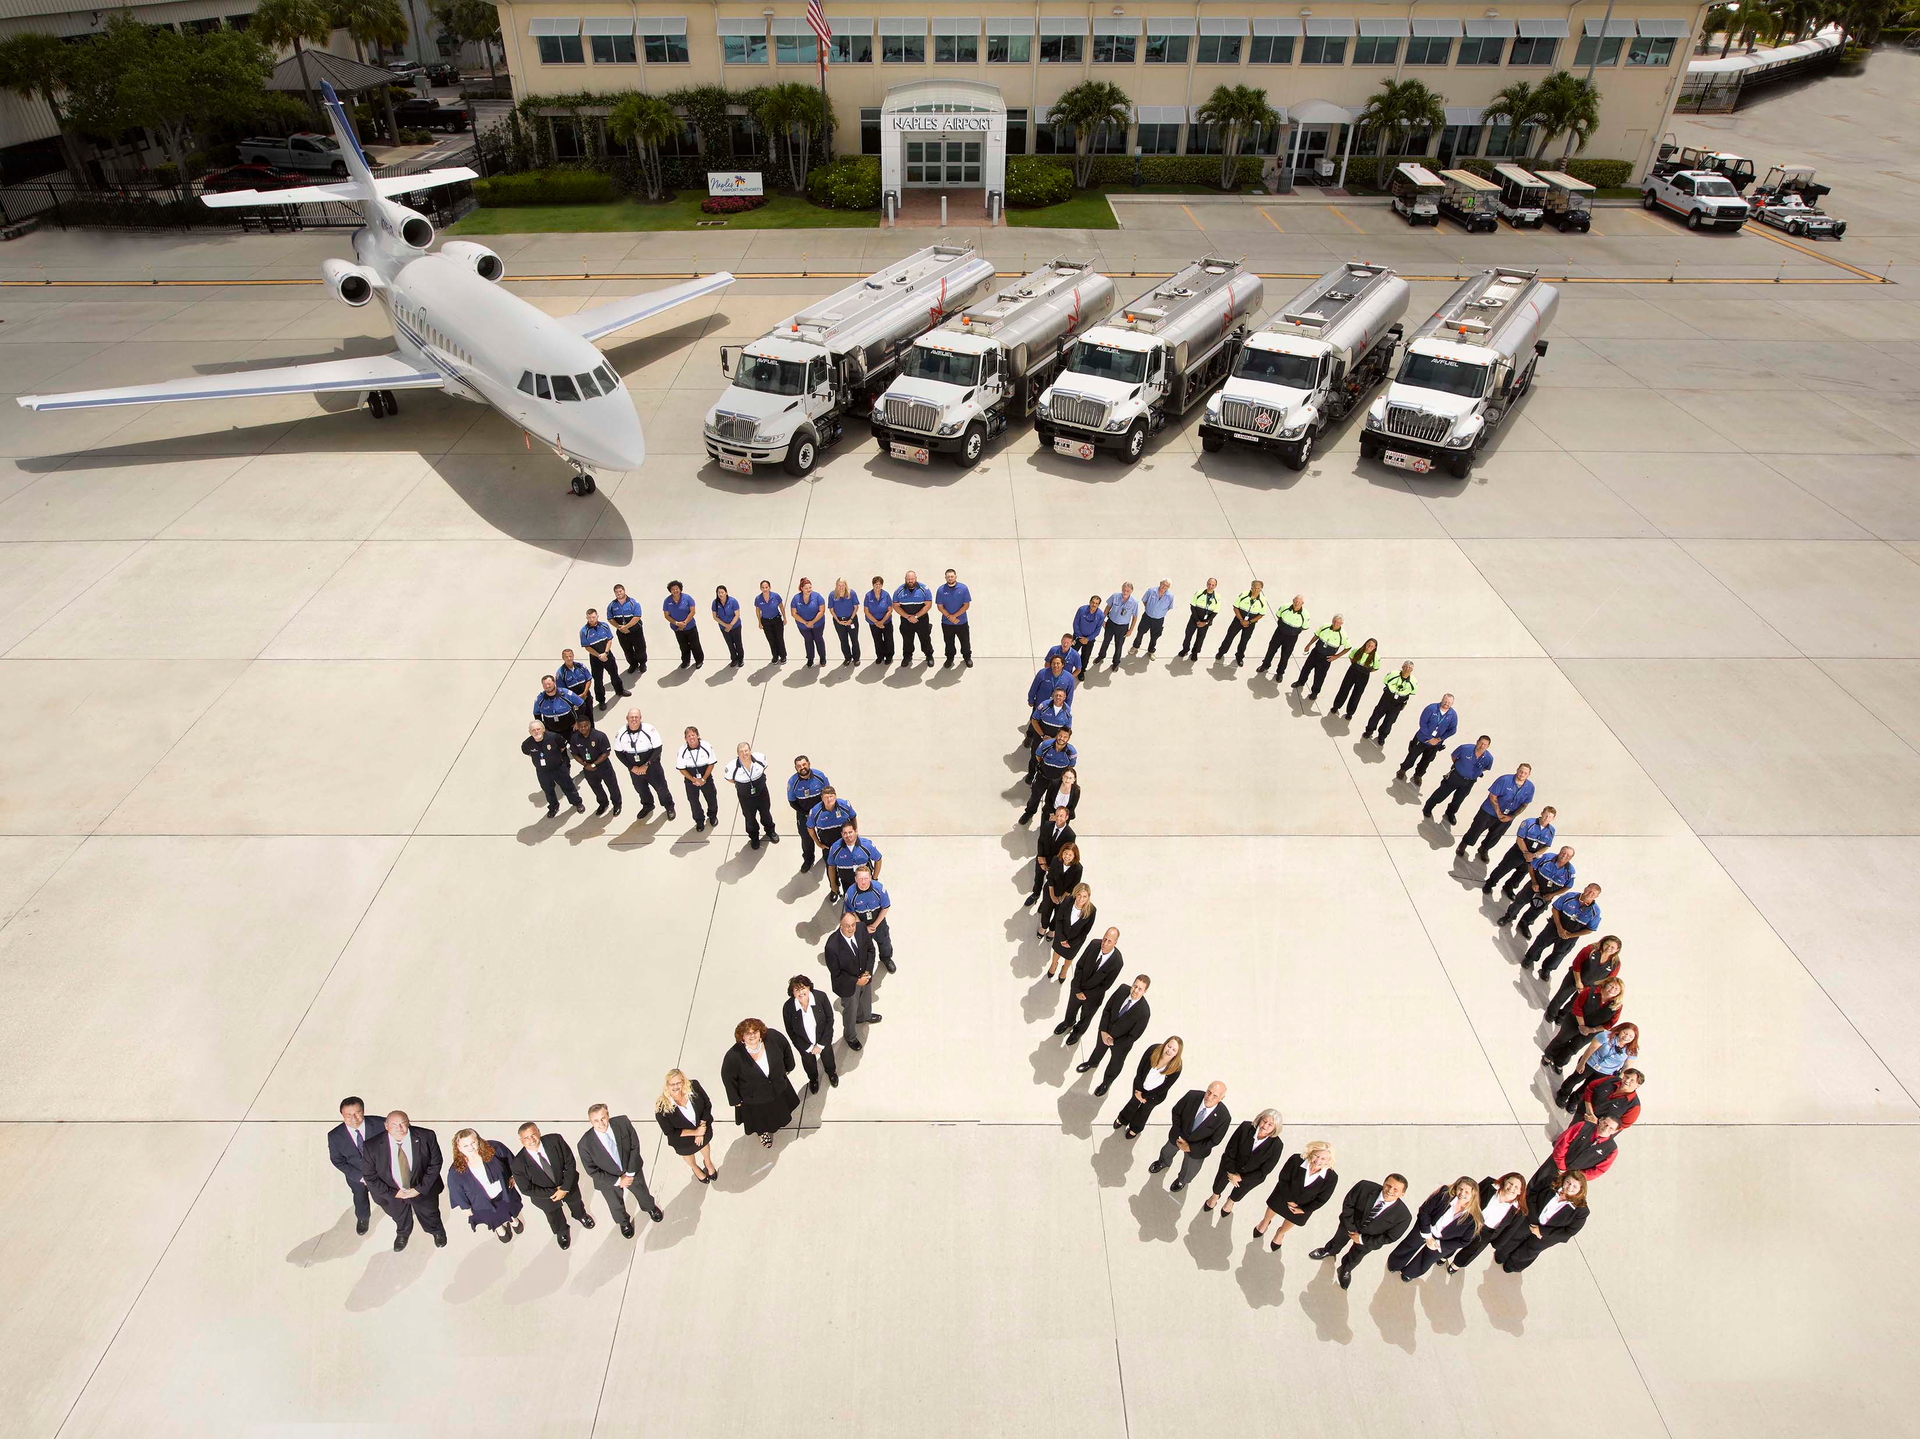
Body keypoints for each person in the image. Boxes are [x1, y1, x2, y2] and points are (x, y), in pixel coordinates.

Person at [362, 1110, 447, 1252]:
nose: (399, 1129)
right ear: (386, 1126)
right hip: (392, 1194)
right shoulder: (371, 1146)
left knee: (430, 1213)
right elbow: (370, 1176)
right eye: (394, 1125)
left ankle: (437, 1231)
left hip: (423, 1189)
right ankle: (403, 1233)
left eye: (403, 1124)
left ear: (408, 1123)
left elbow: (435, 1164)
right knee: (399, 1216)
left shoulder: (427, 1136)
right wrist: (393, 1193)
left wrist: (419, 1189)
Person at [1308, 1173, 1411, 1290]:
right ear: (1384, 1183)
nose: (1390, 1190)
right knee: (1338, 1240)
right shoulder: (1364, 1187)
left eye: (1396, 1189)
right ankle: (1329, 1251)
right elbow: (1348, 1204)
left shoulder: (1404, 1216)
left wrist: (1361, 1239)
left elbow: (1390, 1237)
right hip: (1349, 1224)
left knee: (1356, 1256)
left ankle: (1345, 1269)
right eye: (1388, 1185)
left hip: (1369, 1241)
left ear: (1402, 1194)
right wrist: (1351, 1228)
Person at [578, 1104, 663, 1238]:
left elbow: (635, 1145)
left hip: (631, 1170)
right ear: (590, 1122)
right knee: (615, 1205)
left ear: (608, 1115)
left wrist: (629, 1173)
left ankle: (650, 1208)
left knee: (642, 1192)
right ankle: (624, 1223)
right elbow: (592, 1170)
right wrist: (618, 1181)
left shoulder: (622, 1122)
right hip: (607, 1181)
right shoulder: (584, 1144)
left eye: (603, 1118)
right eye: (596, 1121)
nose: (601, 1123)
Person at [510, 1122, 593, 1250]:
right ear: (521, 1140)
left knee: (576, 1202)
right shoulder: (518, 1163)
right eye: (526, 1138)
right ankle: (562, 1231)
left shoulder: (555, 1140)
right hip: (545, 1198)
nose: (531, 1140)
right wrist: (555, 1192)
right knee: (554, 1215)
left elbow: (570, 1162)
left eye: (533, 1134)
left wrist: (564, 1188)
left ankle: (580, 1215)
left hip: (568, 1185)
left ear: (539, 1132)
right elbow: (526, 1189)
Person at [721, 1018, 799, 1148]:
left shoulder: (773, 1037)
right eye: (748, 1033)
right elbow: (728, 1078)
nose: (752, 1035)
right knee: (760, 1120)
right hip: (754, 1099)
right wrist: (735, 1100)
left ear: (760, 1032)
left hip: (776, 1088)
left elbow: (786, 1048)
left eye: (755, 1031)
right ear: (742, 1037)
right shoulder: (733, 1056)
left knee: (778, 1110)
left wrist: (788, 1067)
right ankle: (762, 1133)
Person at [1387, 1177, 1484, 1281]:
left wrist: (1439, 1244)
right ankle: (1394, 1263)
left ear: (1473, 1195)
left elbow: (1464, 1241)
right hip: (1426, 1227)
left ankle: (1410, 1273)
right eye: (1460, 1189)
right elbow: (1424, 1210)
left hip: (1443, 1242)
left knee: (1426, 1259)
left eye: (1467, 1192)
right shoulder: (1444, 1194)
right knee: (1409, 1245)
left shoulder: (1475, 1219)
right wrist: (1427, 1236)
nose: (1462, 1193)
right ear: (1456, 1188)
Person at [1253, 1141, 1338, 1253]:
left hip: (1303, 1206)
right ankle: (1265, 1222)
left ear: (1329, 1161)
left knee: (1293, 1217)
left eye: (1323, 1159)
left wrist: (1303, 1210)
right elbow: (1283, 1179)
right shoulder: (1296, 1160)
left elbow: (1322, 1199)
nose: (1318, 1161)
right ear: (1311, 1153)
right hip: (1283, 1195)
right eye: (1316, 1156)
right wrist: (1289, 1200)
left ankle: (1280, 1233)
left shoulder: (1331, 1177)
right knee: (1273, 1208)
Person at [1075, 973, 1151, 1095]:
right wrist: (1103, 1031)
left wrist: (1113, 1042)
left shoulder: (1144, 1012)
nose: (1135, 990)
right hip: (1106, 1032)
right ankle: (1092, 1062)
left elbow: (1133, 1036)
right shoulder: (1122, 990)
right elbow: (1107, 1009)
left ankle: (1106, 1083)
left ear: (1145, 991)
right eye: (1135, 986)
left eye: (1140, 989)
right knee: (1099, 1049)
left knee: (1115, 1064)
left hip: (1121, 1044)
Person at [1148, 1081, 1231, 1193]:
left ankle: (1182, 1180)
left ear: (1222, 1098)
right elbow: (1176, 1112)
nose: (1209, 1097)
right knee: (1167, 1151)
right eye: (1209, 1092)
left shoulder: (1224, 1117)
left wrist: (1190, 1147)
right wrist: (1179, 1135)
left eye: (1215, 1096)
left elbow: (1214, 1141)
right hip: (1178, 1136)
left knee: (1190, 1168)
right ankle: (1163, 1162)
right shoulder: (1192, 1096)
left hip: (1197, 1149)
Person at [1497, 1171, 1588, 1273]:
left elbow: (1569, 1232)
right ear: (1564, 1179)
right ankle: (1501, 1255)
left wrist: (1541, 1231)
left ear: (1581, 1190)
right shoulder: (1551, 1181)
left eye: (1575, 1186)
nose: (1569, 1187)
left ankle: (1512, 1266)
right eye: (1568, 1182)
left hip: (1548, 1235)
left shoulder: (1581, 1211)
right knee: (1515, 1236)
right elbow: (1532, 1194)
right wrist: (1534, 1220)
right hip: (1531, 1217)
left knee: (1529, 1250)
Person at [447, 1129, 523, 1245]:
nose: (470, 1148)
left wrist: (514, 1176)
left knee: (510, 1210)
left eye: (473, 1143)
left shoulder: (494, 1148)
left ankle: (512, 1220)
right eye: (465, 1145)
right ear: (459, 1147)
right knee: (493, 1219)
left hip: (503, 1193)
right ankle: (499, 1228)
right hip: (481, 1202)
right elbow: (456, 1190)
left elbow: (510, 1160)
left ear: (478, 1140)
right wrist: (465, 1207)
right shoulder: (456, 1170)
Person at [1203, 1108, 1283, 1215]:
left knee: (1241, 1191)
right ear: (1260, 1119)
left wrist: (1241, 1178)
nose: (1265, 1125)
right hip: (1231, 1165)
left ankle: (1230, 1201)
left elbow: (1265, 1170)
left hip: (1251, 1175)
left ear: (1275, 1128)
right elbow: (1230, 1150)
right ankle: (1215, 1196)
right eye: (1264, 1121)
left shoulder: (1277, 1145)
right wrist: (1231, 1173)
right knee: (1219, 1183)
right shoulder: (1245, 1127)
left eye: (1270, 1124)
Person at [1447, 1173, 1528, 1274]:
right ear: (1505, 1181)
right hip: (1472, 1221)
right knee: (1455, 1239)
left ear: (1520, 1191)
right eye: (1510, 1183)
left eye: (1516, 1187)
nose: (1511, 1188)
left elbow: (1510, 1229)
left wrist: (1498, 1243)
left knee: (1471, 1251)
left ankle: (1456, 1264)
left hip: (1487, 1232)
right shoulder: (1489, 1184)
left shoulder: (1519, 1210)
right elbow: (1472, 1196)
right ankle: (1444, 1256)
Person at [823, 911, 880, 1048]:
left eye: (853, 925)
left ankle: (865, 1016)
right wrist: (856, 980)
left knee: (866, 999)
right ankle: (850, 1036)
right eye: (847, 926)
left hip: (865, 976)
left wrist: (867, 972)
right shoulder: (832, 946)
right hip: (847, 984)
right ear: (840, 926)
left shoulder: (861, 929)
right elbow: (836, 973)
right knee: (850, 1011)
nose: (851, 929)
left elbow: (870, 950)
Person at [1542, 977, 1625, 1071]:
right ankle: (1549, 1055)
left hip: (1592, 1031)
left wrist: (1591, 1030)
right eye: (1611, 986)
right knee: (1562, 1039)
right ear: (1606, 984)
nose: (1612, 990)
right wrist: (1582, 1026)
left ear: (1620, 992)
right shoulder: (1590, 991)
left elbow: (1610, 1024)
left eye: (1616, 989)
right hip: (1574, 1021)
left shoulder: (1617, 1005)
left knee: (1574, 1047)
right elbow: (1577, 1007)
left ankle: (1560, 1062)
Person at [326, 1096, 381, 1235]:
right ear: (342, 1115)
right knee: (359, 1197)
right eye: (348, 1115)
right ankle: (363, 1219)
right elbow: (338, 1161)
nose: (354, 1118)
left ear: (363, 1111)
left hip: (382, 1171)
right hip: (356, 1176)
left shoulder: (381, 1123)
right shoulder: (335, 1136)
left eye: (357, 1113)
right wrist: (359, 1177)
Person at [1554, 1022, 1639, 1110]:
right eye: (1625, 1033)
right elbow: (1591, 1049)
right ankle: (1563, 1094)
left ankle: (1574, 1101)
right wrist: (1582, 1063)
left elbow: (1627, 1065)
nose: (1626, 1037)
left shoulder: (1632, 1050)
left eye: (1631, 1036)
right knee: (1574, 1080)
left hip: (1605, 1072)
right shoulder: (1605, 1036)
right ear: (1620, 1030)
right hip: (1590, 1063)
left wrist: (1619, 1078)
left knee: (1588, 1088)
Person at [1056, 925, 1121, 1040]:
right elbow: (1080, 966)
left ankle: (1077, 1032)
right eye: (1104, 939)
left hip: (1093, 997)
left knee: (1086, 1017)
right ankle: (1068, 1022)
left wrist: (1086, 995)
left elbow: (1105, 985)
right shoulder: (1094, 945)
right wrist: (1077, 989)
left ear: (1115, 943)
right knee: (1071, 1008)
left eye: (1109, 941)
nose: (1105, 944)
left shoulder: (1117, 962)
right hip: (1078, 988)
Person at [1526, 883, 1603, 980]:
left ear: (1596, 896)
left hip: (1570, 936)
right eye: (1589, 890)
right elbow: (1555, 909)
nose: (1590, 894)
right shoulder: (1569, 896)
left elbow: (1590, 929)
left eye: (1593, 893)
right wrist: (1559, 928)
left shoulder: (1595, 912)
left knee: (1559, 954)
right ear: (1585, 889)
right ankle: (1530, 958)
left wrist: (1570, 935)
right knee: (1541, 942)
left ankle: (1547, 969)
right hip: (1555, 926)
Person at [654, 1069, 718, 1185]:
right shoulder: (661, 1108)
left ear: (684, 1081)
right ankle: (695, 1168)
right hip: (682, 1138)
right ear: (667, 1085)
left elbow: (707, 1104)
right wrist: (696, 1133)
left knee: (704, 1145)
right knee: (688, 1154)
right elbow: (670, 1132)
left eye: (678, 1083)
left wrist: (701, 1127)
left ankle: (708, 1162)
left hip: (701, 1128)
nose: (675, 1087)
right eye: (671, 1084)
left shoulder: (694, 1087)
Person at [1458, 762, 1534, 860]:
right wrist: (1498, 813)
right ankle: (1464, 844)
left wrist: (1512, 816)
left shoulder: (1530, 788)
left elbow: (1525, 804)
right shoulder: (1504, 780)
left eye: (1525, 773)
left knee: (1496, 835)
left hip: (1507, 816)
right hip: (1489, 812)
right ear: (1517, 770)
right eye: (1521, 771)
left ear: (1529, 774)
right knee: (1476, 829)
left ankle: (1484, 849)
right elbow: (1493, 796)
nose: (1522, 774)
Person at [1112, 1034, 1183, 1137]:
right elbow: (1140, 1069)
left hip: (1154, 1096)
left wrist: (1144, 1096)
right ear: (1165, 1044)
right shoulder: (1153, 1050)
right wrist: (1138, 1090)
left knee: (1144, 1111)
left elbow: (1164, 1087)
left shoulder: (1177, 1067)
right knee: (1133, 1102)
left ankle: (1135, 1128)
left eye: (1174, 1050)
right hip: (1139, 1086)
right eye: (1169, 1046)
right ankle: (1122, 1118)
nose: (1169, 1051)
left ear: (1177, 1053)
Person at [612, 709, 675, 820]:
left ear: (640, 718)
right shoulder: (621, 733)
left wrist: (646, 765)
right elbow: (618, 753)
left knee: (661, 789)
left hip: (652, 766)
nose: (634, 719)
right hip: (634, 768)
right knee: (641, 789)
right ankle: (648, 805)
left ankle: (669, 806)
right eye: (631, 717)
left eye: (636, 717)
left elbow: (658, 749)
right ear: (627, 718)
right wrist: (631, 767)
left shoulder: (649, 730)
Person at [1546, 935, 1622, 1024]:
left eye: (1612, 947)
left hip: (1590, 987)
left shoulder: (1615, 963)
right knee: (1562, 995)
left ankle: (1562, 1015)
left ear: (1617, 950)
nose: (1609, 948)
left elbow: (1608, 980)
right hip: (1575, 977)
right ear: (1603, 943)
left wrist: (1593, 990)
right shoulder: (1590, 950)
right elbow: (1576, 964)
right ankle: (1552, 1013)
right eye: (1607, 944)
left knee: (1575, 1002)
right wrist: (1578, 982)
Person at [1500, 845, 1576, 934]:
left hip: (1548, 894)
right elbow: (1531, 866)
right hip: (1533, 886)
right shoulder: (1547, 857)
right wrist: (1534, 882)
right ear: (1559, 852)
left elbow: (1568, 886)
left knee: (1536, 910)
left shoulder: (1570, 872)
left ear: (1571, 858)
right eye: (1563, 852)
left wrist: (1552, 895)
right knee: (1519, 901)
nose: (1564, 855)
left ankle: (1524, 923)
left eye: (1568, 855)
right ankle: (1509, 916)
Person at [1485, 806, 1558, 897]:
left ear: (1553, 819)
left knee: (1520, 874)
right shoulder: (1528, 823)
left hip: (1532, 857)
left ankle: (1509, 887)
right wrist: (1525, 853)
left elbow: (1546, 846)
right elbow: (1520, 839)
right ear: (1541, 813)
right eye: (1546, 815)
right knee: (1503, 868)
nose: (1547, 818)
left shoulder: (1551, 831)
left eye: (1550, 817)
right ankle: (1490, 883)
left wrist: (1534, 855)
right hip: (1518, 852)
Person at [783, 974, 839, 1093]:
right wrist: (806, 1047)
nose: (801, 992)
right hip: (804, 1044)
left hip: (823, 1039)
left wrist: (821, 1044)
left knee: (828, 1056)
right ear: (792, 992)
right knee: (808, 1063)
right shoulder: (788, 1007)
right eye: (796, 989)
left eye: (803, 988)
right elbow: (790, 1031)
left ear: (809, 987)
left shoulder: (821, 997)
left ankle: (831, 1072)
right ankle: (813, 1079)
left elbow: (830, 1019)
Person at [1535, 1116, 1622, 1190]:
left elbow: (1598, 1170)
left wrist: (1575, 1177)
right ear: (1601, 1120)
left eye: (1611, 1128)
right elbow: (1562, 1143)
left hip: (1572, 1180)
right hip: (1554, 1166)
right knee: (1535, 1186)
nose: (1606, 1128)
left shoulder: (1611, 1150)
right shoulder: (1582, 1126)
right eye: (1605, 1124)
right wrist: (1561, 1167)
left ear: (1615, 1131)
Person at [1423, 734, 1494, 826]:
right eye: (1481, 743)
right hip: (1455, 776)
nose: (1482, 746)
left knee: (1458, 800)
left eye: (1485, 744)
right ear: (1477, 742)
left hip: (1469, 782)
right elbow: (1454, 756)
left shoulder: (1489, 758)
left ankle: (1450, 813)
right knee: (1441, 793)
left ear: (1488, 746)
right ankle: (1428, 807)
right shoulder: (1465, 748)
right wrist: (1459, 766)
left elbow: (1485, 768)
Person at [725, 743, 779, 850]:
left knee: (766, 813)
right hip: (746, 798)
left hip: (762, 793)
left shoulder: (760, 759)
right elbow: (730, 779)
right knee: (749, 818)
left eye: (746, 751)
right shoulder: (731, 767)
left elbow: (764, 768)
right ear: (737, 754)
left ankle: (770, 831)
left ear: (750, 751)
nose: (744, 753)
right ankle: (754, 837)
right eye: (741, 751)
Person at [523, 721, 583, 817]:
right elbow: (526, 752)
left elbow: (563, 747)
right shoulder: (527, 744)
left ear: (543, 729)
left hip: (558, 768)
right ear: (530, 732)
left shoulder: (554, 737)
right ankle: (553, 806)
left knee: (568, 787)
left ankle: (577, 802)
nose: (536, 732)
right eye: (533, 730)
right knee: (548, 790)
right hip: (542, 772)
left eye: (538, 729)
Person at [1396, 693, 1458, 784]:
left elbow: (1452, 730)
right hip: (1421, 739)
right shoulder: (1431, 708)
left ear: (1452, 704)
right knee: (1412, 756)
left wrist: (1439, 739)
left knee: (1426, 760)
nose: (1446, 703)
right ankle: (1403, 769)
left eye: (1449, 702)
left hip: (1435, 744)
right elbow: (1423, 723)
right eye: (1445, 701)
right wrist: (1429, 738)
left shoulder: (1453, 715)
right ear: (1442, 699)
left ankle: (1418, 775)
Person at [568, 717, 622, 817]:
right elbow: (574, 754)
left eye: (585, 726)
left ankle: (617, 804)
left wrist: (593, 764)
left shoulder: (599, 736)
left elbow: (606, 753)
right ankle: (603, 803)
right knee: (596, 788)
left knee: (612, 785)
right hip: (588, 769)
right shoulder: (575, 738)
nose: (583, 728)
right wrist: (585, 765)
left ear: (590, 725)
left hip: (603, 766)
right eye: (580, 726)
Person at [844, 866, 894, 974]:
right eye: (860, 879)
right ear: (856, 879)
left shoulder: (879, 889)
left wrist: (875, 925)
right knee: (864, 946)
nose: (863, 882)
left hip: (878, 919)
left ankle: (886, 958)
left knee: (884, 941)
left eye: (866, 878)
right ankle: (866, 968)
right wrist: (863, 927)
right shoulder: (850, 894)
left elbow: (885, 907)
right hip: (861, 921)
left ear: (870, 878)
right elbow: (851, 913)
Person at [807, 790, 860, 894]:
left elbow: (853, 817)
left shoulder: (845, 805)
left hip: (846, 844)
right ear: (821, 798)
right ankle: (834, 888)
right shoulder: (815, 812)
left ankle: (853, 889)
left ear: (835, 796)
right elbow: (810, 828)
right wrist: (818, 843)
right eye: (826, 797)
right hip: (828, 847)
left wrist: (855, 833)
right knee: (831, 869)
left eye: (831, 796)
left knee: (848, 867)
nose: (829, 799)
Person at [1021, 729, 1078, 824]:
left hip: (1057, 782)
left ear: (1068, 738)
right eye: (1060, 736)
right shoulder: (1045, 745)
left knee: (1052, 802)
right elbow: (1038, 757)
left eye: (1065, 737)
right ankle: (1029, 813)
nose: (1062, 739)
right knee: (1035, 797)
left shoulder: (1071, 752)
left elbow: (1070, 766)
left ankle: (1048, 819)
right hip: (1042, 777)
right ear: (1057, 735)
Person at [1027, 804, 1077, 910]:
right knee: (1038, 878)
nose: (1058, 818)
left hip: (1056, 864)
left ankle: (1044, 903)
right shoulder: (1047, 825)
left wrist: (1053, 865)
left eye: (1061, 816)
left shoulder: (1070, 835)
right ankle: (1035, 894)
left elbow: (1067, 853)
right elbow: (1040, 841)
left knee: (1051, 884)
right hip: (1042, 859)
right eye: (1057, 815)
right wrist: (1040, 857)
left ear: (1067, 817)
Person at [1291, 614, 1350, 700]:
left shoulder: (1343, 635)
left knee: (1319, 676)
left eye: (1338, 622)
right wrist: (1309, 645)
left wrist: (1336, 656)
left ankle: (1315, 692)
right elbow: (1316, 636)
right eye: (1334, 621)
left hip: (1326, 659)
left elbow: (1348, 647)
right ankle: (1300, 682)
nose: (1335, 623)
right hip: (1315, 653)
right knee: (1306, 669)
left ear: (1341, 623)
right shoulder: (1325, 626)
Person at [786, 756, 830, 872]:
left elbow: (828, 793)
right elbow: (792, 802)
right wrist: (806, 813)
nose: (802, 768)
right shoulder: (792, 782)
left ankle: (828, 857)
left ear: (809, 764)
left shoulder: (820, 776)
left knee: (825, 836)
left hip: (822, 812)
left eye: (804, 765)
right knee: (806, 839)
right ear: (796, 768)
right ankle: (808, 859)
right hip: (804, 815)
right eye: (799, 766)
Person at [1036, 842, 1083, 947]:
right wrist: (1052, 896)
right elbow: (1050, 878)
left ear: (1075, 856)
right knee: (1046, 910)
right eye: (1065, 853)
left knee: (1058, 915)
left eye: (1070, 855)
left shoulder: (1078, 868)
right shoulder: (1055, 860)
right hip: (1050, 890)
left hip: (1065, 896)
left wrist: (1061, 898)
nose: (1067, 856)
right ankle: (1043, 927)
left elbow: (1073, 886)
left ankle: (1052, 930)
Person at [580, 607, 629, 708]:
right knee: (598, 680)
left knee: (614, 674)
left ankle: (619, 690)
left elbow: (609, 640)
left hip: (607, 655)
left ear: (597, 616)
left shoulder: (604, 626)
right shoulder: (584, 631)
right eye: (589, 618)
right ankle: (601, 701)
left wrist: (605, 653)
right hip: (595, 658)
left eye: (593, 617)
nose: (592, 619)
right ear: (586, 618)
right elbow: (587, 647)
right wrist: (599, 655)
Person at [827, 823, 883, 907]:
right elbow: (831, 867)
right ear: (842, 834)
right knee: (850, 902)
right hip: (846, 882)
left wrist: (874, 878)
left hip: (864, 881)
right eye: (845, 833)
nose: (848, 836)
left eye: (850, 832)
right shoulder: (835, 848)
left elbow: (878, 859)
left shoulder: (867, 845)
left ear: (856, 832)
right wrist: (833, 885)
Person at [1047, 882, 1096, 978]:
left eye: (1084, 896)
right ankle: (1054, 965)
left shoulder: (1092, 911)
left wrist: (1072, 943)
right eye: (1079, 895)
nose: (1081, 899)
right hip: (1061, 935)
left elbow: (1085, 932)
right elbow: (1059, 919)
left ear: (1088, 896)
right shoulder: (1068, 901)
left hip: (1075, 941)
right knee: (1057, 951)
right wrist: (1061, 938)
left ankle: (1064, 970)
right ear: (1075, 894)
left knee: (1069, 957)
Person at [1214, 580, 1268, 665]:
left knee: (1244, 641)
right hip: (1238, 619)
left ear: (1261, 589)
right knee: (1229, 636)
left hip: (1250, 623)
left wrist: (1249, 622)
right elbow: (1235, 608)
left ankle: (1239, 657)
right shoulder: (1243, 595)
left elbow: (1261, 615)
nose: (1256, 590)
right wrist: (1241, 620)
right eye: (1254, 588)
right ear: (1251, 587)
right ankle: (1221, 652)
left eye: (1258, 588)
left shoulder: (1263, 600)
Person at [1363, 661, 1418, 743]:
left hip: (1398, 703)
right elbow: (1386, 681)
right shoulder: (1392, 674)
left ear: (1412, 670)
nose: (1407, 669)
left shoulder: (1414, 681)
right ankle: (1369, 731)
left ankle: (1382, 737)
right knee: (1376, 715)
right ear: (1402, 667)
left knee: (1389, 721)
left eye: (1410, 668)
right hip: (1386, 699)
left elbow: (1413, 692)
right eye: (1406, 667)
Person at [676, 727, 719, 832]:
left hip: (705, 775)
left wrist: (703, 779)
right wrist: (692, 779)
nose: (691, 737)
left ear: (698, 736)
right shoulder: (682, 751)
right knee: (693, 800)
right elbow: (681, 769)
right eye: (688, 736)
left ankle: (712, 816)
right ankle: (699, 821)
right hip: (690, 777)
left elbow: (711, 764)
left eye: (693, 735)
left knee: (711, 796)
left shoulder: (707, 746)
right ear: (685, 739)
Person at [1026, 688, 1074, 782]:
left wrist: (1054, 739)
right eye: (1056, 695)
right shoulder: (1044, 706)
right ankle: (1031, 775)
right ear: (1053, 696)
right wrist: (1043, 736)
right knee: (1034, 757)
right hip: (1040, 737)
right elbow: (1034, 720)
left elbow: (1066, 730)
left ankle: (1042, 777)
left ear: (1064, 697)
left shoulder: (1067, 712)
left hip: (1057, 741)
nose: (1058, 697)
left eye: (1060, 696)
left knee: (1048, 760)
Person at [1256, 593, 1308, 676]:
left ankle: (1280, 673)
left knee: (1285, 656)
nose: (1296, 603)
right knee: (1271, 650)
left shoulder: (1305, 614)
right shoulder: (1285, 607)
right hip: (1279, 633)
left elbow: (1305, 627)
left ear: (1302, 603)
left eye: (1299, 602)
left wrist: (1293, 631)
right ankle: (1265, 665)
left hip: (1291, 638)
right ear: (1293, 600)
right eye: (1295, 601)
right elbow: (1279, 616)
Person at [1578, 1069, 1645, 1132]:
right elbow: (1590, 1088)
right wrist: (1589, 1110)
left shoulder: (1634, 1106)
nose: (1627, 1081)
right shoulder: (1610, 1080)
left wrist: (1598, 1123)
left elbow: (1624, 1124)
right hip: (1582, 1113)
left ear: (1638, 1085)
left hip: (1597, 1130)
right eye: (1627, 1077)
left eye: (1632, 1080)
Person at [1328, 636, 1379, 718]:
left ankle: (1350, 712)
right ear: (1365, 644)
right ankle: (1336, 706)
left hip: (1364, 675)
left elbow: (1375, 668)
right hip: (1352, 671)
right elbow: (1351, 658)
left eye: (1372, 646)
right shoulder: (1357, 650)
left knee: (1357, 694)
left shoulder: (1376, 657)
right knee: (1344, 689)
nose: (1369, 647)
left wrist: (1365, 671)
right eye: (1368, 645)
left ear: (1375, 647)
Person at [894, 570, 934, 666]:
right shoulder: (899, 591)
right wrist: (908, 617)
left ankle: (929, 655)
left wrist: (916, 616)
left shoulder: (924, 589)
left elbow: (928, 605)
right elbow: (895, 606)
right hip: (906, 620)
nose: (910, 581)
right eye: (908, 579)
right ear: (905, 579)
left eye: (912, 579)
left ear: (916, 578)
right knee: (907, 640)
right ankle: (907, 656)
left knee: (925, 639)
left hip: (921, 620)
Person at [1094, 582, 1138, 670]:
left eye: (1127, 591)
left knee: (1119, 646)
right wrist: (1102, 620)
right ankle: (1101, 656)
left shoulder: (1134, 602)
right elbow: (1108, 607)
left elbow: (1135, 617)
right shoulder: (1115, 596)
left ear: (1131, 591)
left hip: (1122, 627)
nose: (1125, 592)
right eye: (1124, 590)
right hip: (1111, 623)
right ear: (1122, 589)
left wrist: (1130, 630)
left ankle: (1116, 662)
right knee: (1105, 641)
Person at [1176, 578, 1221, 660]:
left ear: (1215, 586)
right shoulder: (1199, 593)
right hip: (1194, 619)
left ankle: (1195, 652)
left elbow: (1215, 612)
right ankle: (1185, 649)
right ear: (1206, 583)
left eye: (1212, 585)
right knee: (1188, 635)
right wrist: (1197, 620)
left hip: (1205, 622)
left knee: (1200, 638)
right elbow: (1193, 607)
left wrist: (1206, 622)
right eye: (1209, 584)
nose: (1210, 586)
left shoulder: (1217, 597)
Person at [936, 568, 973, 668]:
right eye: (948, 577)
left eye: (952, 576)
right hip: (947, 623)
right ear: (945, 578)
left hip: (961, 622)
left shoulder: (963, 588)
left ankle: (967, 657)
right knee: (949, 642)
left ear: (956, 577)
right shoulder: (940, 590)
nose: (950, 578)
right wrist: (949, 617)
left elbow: (966, 605)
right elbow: (940, 606)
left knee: (965, 641)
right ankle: (949, 658)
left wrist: (954, 616)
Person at [607, 582, 647, 674]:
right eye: (616, 592)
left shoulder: (633, 603)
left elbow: (637, 616)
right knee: (627, 650)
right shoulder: (612, 605)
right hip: (622, 632)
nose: (619, 593)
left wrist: (627, 626)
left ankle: (642, 664)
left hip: (635, 631)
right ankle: (633, 664)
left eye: (620, 591)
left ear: (624, 591)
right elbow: (610, 618)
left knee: (640, 648)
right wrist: (619, 627)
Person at [662, 580, 703, 668]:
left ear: (680, 589)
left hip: (690, 626)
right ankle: (685, 661)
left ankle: (699, 660)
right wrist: (677, 623)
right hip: (677, 628)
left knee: (695, 644)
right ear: (670, 591)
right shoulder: (667, 601)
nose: (675, 591)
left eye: (677, 589)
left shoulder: (687, 598)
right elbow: (666, 615)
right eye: (673, 589)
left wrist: (685, 623)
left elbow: (692, 611)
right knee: (683, 646)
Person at [533, 673, 585, 740]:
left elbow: (581, 705)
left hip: (570, 728)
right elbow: (536, 714)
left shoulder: (566, 694)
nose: (547, 686)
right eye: (545, 685)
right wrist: (542, 728)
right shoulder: (540, 699)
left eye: (549, 684)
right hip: (552, 731)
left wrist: (578, 722)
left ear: (554, 682)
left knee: (576, 747)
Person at [790, 577, 827, 667]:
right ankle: (810, 658)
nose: (808, 590)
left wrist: (812, 622)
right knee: (808, 640)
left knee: (819, 639)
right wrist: (805, 622)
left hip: (818, 624)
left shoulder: (817, 596)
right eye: (806, 588)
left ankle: (822, 658)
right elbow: (793, 613)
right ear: (801, 588)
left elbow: (822, 611)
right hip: (803, 626)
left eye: (810, 587)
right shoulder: (796, 599)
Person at [1133, 579, 1175, 657]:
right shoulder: (1151, 591)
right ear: (1160, 583)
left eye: (1166, 586)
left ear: (1168, 587)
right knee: (1140, 632)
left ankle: (1151, 651)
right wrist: (1150, 609)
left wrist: (1159, 612)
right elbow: (1144, 601)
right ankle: (1135, 647)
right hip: (1147, 617)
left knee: (1154, 636)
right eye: (1163, 584)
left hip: (1159, 620)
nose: (1164, 586)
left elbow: (1169, 607)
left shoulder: (1170, 596)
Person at [828, 579, 862, 665]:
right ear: (836, 585)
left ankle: (856, 658)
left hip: (851, 620)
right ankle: (847, 658)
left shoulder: (852, 593)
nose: (841, 587)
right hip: (839, 621)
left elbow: (856, 607)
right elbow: (831, 610)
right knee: (843, 640)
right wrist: (838, 621)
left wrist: (850, 619)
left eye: (842, 585)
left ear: (846, 585)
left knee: (854, 640)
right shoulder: (832, 595)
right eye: (839, 585)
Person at [711, 584, 745, 668]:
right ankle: (734, 659)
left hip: (735, 626)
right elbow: (715, 616)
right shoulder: (715, 603)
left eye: (722, 592)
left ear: (726, 593)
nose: (720, 594)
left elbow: (737, 615)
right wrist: (725, 625)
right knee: (729, 643)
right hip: (724, 628)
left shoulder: (733, 601)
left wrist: (730, 625)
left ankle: (740, 659)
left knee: (738, 643)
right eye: (718, 592)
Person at [863, 575, 896, 664]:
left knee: (888, 639)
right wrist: (876, 622)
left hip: (886, 622)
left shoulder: (886, 595)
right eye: (876, 584)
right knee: (877, 640)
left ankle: (889, 656)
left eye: (879, 584)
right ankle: (880, 656)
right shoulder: (868, 596)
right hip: (873, 623)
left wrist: (882, 622)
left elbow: (890, 610)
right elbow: (866, 611)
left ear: (882, 585)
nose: (878, 586)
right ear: (873, 585)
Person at [754, 580, 788, 663]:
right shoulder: (758, 599)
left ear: (769, 587)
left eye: (766, 587)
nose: (765, 589)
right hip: (766, 621)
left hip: (777, 620)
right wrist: (759, 622)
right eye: (763, 587)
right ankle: (775, 656)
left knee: (779, 638)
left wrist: (784, 617)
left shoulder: (775, 596)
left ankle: (783, 655)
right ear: (760, 588)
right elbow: (758, 611)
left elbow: (781, 607)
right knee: (771, 639)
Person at [1069, 595, 1105, 670]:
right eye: (1093, 602)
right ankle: (1068, 668)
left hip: (1089, 640)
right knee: (1072, 653)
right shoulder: (1081, 610)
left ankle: (1081, 671)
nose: (1094, 605)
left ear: (1098, 605)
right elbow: (1076, 623)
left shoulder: (1101, 615)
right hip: (1078, 637)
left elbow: (1097, 630)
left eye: (1096, 603)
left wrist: (1087, 639)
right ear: (1090, 602)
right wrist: (1080, 636)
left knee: (1085, 656)